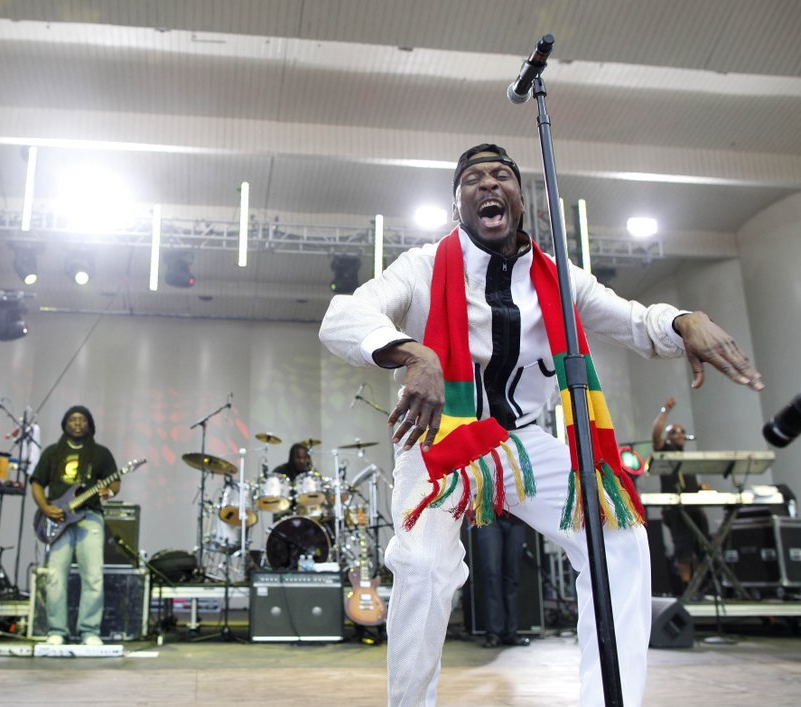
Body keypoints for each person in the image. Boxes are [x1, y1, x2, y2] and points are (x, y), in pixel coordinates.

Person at [319, 143, 764, 706]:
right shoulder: (424, 266)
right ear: (457, 205)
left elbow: (631, 319)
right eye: (472, 178)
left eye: (500, 174)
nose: (487, 183)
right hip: (443, 441)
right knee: (425, 567)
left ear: (520, 199)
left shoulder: (557, 277)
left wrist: (683, 319)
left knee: (620, 539)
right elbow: (343, 317)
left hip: (523, 440)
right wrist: (414, 352)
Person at [30, 405, 119, 646]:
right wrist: (45, 507)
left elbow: (115, 482)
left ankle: (89, 631)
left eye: (82, 420)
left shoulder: (100, 454)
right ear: (65, 424)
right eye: (73, 419)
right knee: (55, 577)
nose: (78, 423)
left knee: (93, 577)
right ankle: (57, 631)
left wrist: (109, 492)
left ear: (90, 424)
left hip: (89, 517)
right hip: (58, 519)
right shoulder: (52, 452)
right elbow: (37, 483)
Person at [652, 398, 711, 589]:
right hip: (676, 508)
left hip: (693, 505)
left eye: (682, 431)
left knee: (703, 545)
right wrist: (665, 410)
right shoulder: (666, 451)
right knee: (683, 548)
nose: (679, 434)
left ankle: (701, 586)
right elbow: (656, 435)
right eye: (674, 432)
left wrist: (700, 487)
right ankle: (686, 588)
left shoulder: (685, 456)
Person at [475, 512, 531, 648]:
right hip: (488, 516)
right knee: (492, 574)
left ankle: (510, 632)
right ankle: (494, 633)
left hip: (516, 518)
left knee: (512, 577)